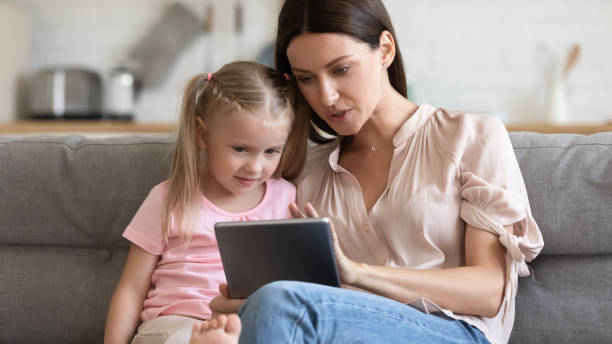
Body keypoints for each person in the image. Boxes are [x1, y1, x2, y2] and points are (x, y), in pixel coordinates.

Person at [191, 0, 545, 343]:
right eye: (306, 78)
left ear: (385, 50)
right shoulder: (305, 175)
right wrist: (244, 306)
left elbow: (489, 290)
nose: (326, 96)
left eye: (341, 69)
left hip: (454, 332)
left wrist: (358, 274)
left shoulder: (472, 137)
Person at [103, 61, 308, 344]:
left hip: (245, 326)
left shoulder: (286, 198)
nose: (255, 167)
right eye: (240, 149)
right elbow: (132, 288)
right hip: (172, 326)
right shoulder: (169, 197)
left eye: (271, 151)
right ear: (202, 135)